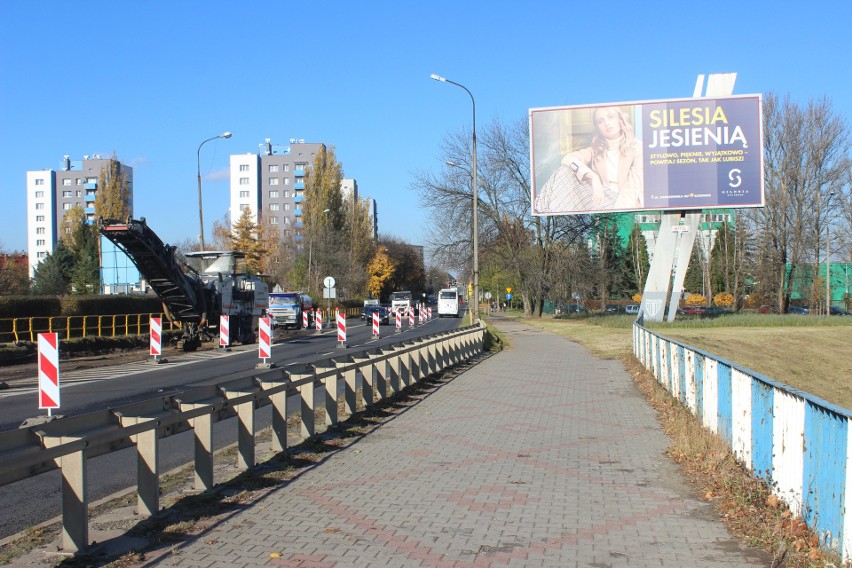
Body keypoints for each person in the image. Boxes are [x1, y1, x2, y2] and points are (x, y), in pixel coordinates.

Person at [536, 106, 643, 213]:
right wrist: (593, 177)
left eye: (610, 117)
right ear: (598, 129)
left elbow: (632, 189)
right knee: (565, 171)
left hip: (624, 204)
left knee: (565, 176)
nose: (606, 123)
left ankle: (541, 205)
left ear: (620, 119)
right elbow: (567, 159)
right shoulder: (596, 150)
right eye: (600, 121)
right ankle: (543, 206)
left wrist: (615, 215)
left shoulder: (637, 147)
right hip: (601, 200)